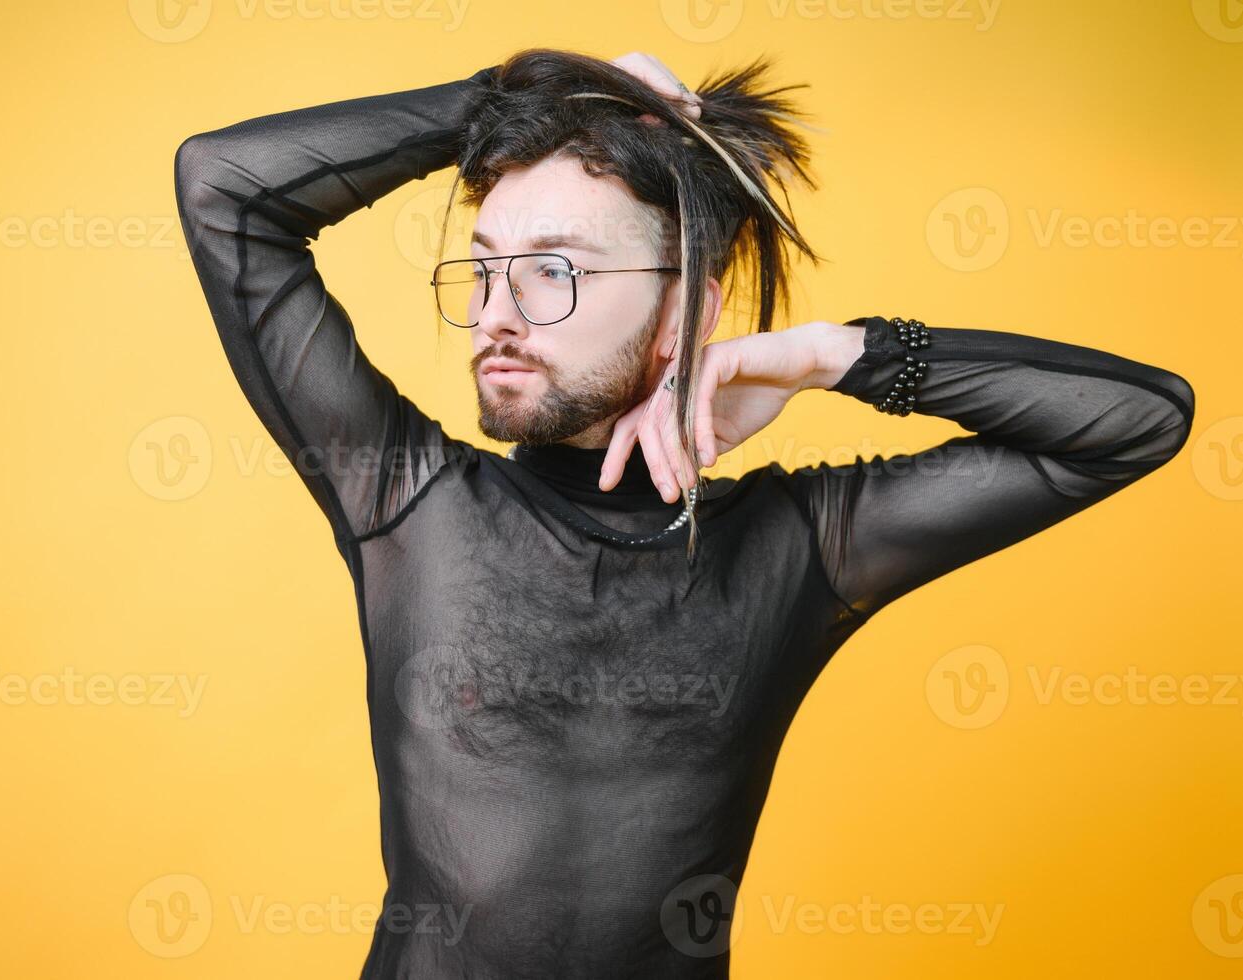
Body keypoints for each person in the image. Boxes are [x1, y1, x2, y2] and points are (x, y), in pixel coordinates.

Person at [173, 47, 1194, 980]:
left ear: (685, 316)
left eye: (554, 272)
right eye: (485, 269)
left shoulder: (801, 547)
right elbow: (226, 189)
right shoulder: (409, 499)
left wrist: (829, 356)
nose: (495, 315)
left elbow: (1136, 422)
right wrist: (514, 96)